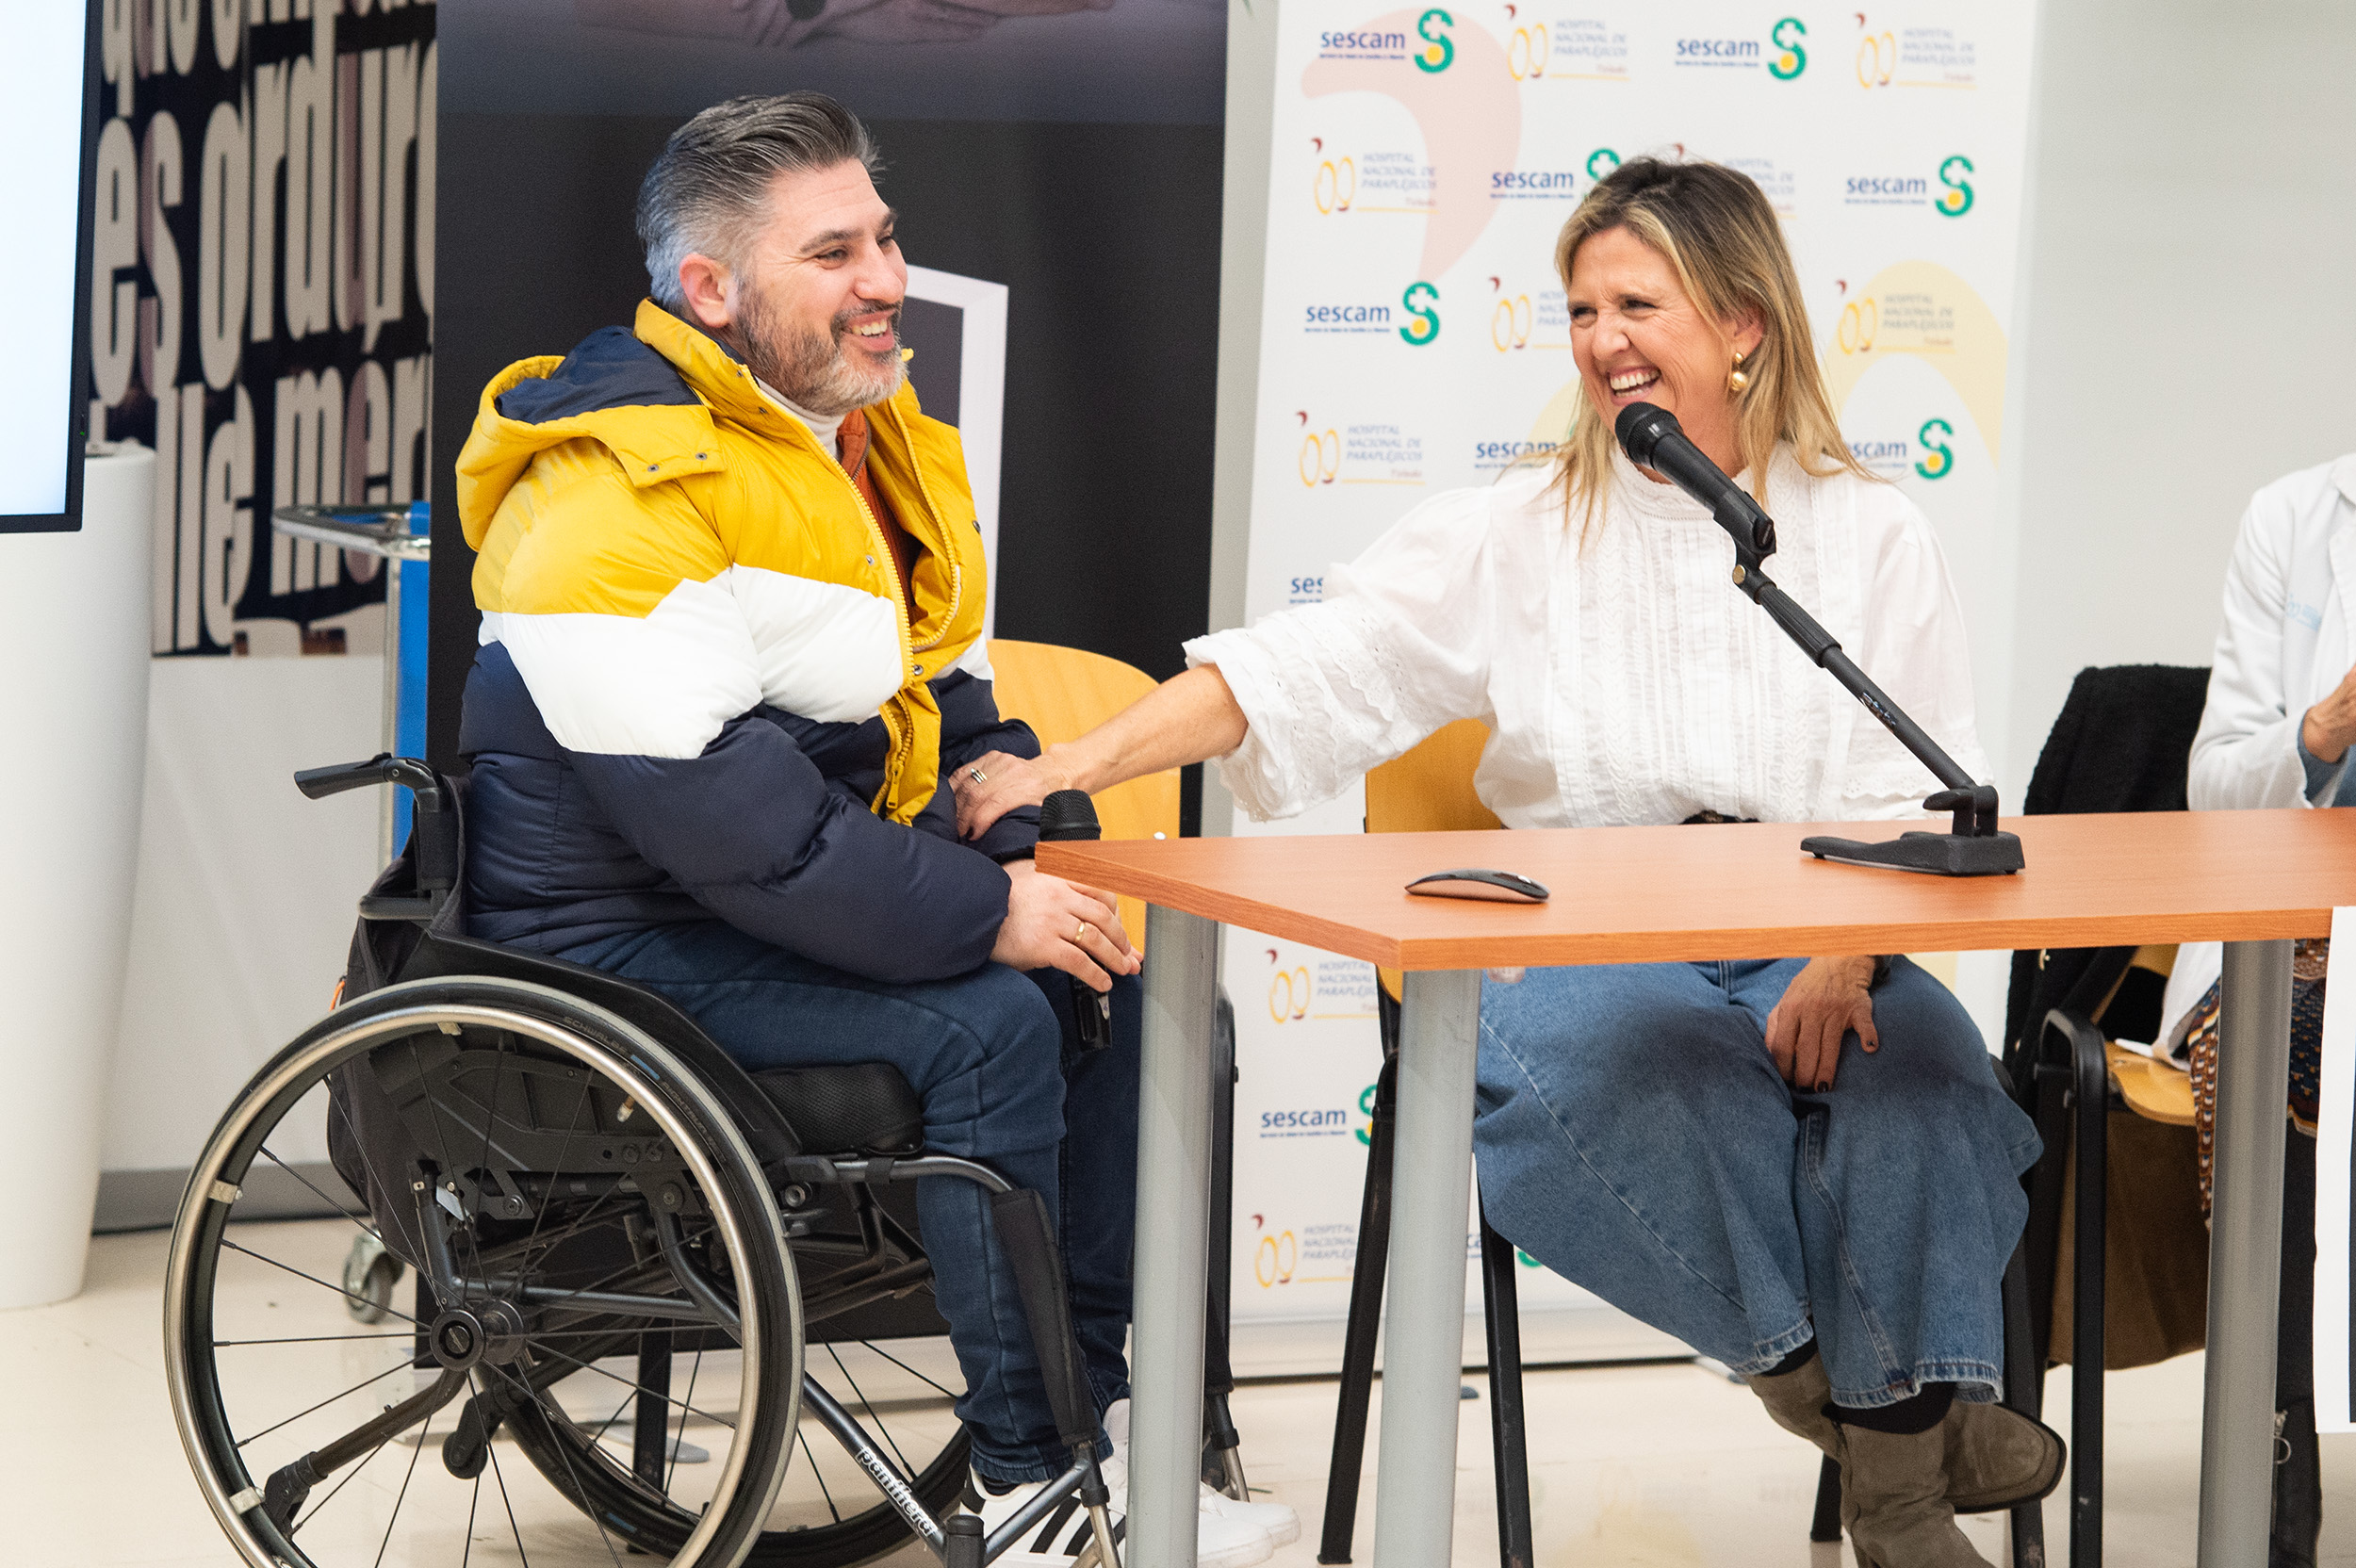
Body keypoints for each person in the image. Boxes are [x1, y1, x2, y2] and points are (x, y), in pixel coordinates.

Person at [957, 158, 2059, 1567]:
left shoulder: (1868, 530)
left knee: (1927, 1086)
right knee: (1624, 1077)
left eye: (1637, 305)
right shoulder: (1521, 526)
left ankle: (1892, 1497)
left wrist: (1845, 958)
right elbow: (1304, 671)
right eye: (1582, 310)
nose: (1602, 339)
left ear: (1742, 323)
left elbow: (1922, 786)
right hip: (1584, 930)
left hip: (1821, 925)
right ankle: (1883, 1437)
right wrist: (1071, 760)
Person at [450, 92, 1291, 1567]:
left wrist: (1022, 845)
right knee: (989, 1027)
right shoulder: (606, 484)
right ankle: (1029, 1485)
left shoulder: (861, 442)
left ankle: (1116, 1434)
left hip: (764, 905)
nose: (887, 280)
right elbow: (732, 828)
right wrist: (987, 917)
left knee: (1145, 1000)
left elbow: (949, 700)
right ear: (711, 290)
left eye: (887, 238)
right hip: (613, 943)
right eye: (834, 252)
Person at [2158, 451, 2356, 1568]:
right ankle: (2279, 1494)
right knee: (2288, 1058)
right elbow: (2216, 786)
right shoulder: (2293, 518)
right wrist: (2322, 727)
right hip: (2296, 944)